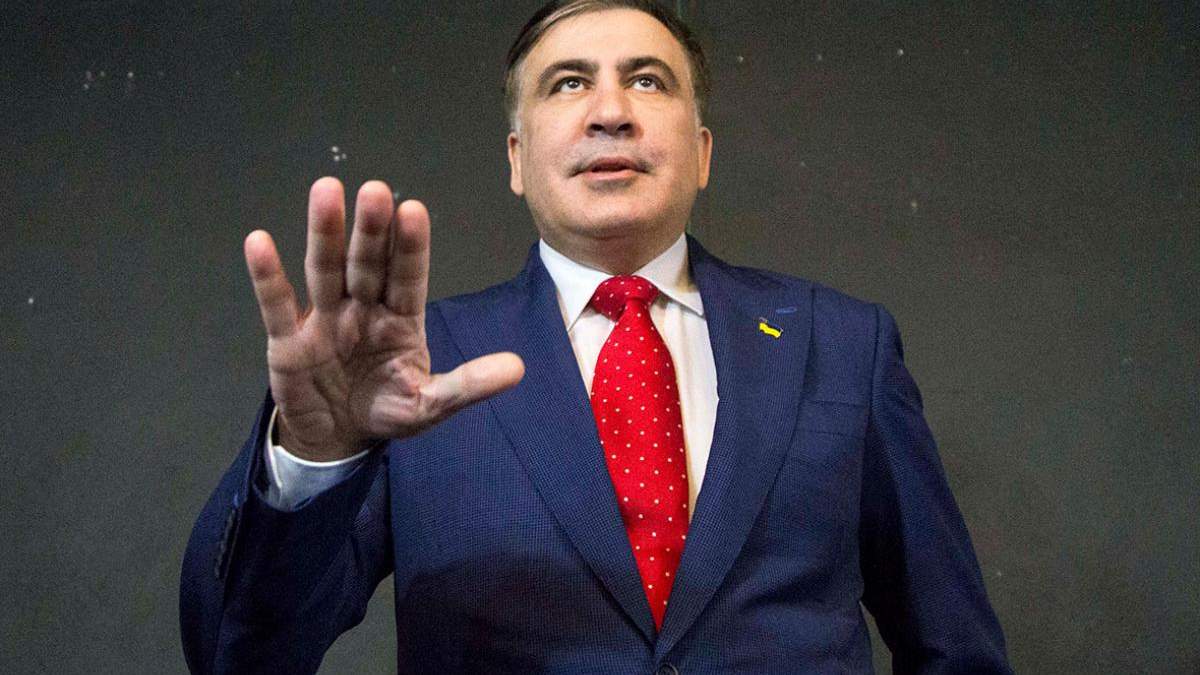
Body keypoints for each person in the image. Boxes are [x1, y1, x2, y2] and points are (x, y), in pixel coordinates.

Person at [180, 1, 1012, 672]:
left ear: (702, 151)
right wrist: (315, 458)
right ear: (516, 158)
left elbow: (956, 648)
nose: (611, 112)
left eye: (648, 81)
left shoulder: (845, 345)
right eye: (568, 83)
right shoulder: (414, 370)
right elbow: (237, 654)